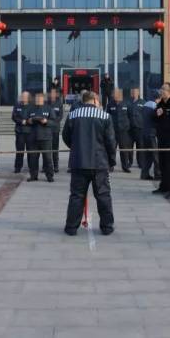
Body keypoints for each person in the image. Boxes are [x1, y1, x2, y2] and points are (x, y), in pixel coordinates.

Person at [62, 91, 116, 236]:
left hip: (78, 162)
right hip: (99, 163)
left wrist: (76, 148)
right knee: (103, 195)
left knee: (76, 196)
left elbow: (66, 136)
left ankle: (71, 227)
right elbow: (111, 141)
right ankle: (107, 227)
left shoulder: (73, 115)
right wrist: (111, 161)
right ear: (95, 100)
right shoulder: (105, 116)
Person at [27, 93, 55, 182]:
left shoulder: (49, 108)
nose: (38, 100)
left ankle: (50, 176)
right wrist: (29, 121)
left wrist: (46, 121)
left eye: (40, 99)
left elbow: (54, 122)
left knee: (47, 158)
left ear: (43, 100)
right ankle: (33, 175)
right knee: (33, 158)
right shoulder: (30, 109)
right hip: (33, 137)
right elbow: (26, 120)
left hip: (45, 138)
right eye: (37, 99)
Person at [107, 89, 132, 173]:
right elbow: (107, 116)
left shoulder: (127, 103)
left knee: (124, 150)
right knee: (111, 149)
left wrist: (128, 127)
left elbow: (130, 116)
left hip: (123, 131)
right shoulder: (110, 104)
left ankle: (125, 166)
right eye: (114, 94)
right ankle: (111, 166)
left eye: (117, 94)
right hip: (113, 131)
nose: (115, 95)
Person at [141, 93, 161, 180]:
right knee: (155, 155)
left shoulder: (145, 104)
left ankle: (144, 174)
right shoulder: (155, 106)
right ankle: (157, 174)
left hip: (144, 132)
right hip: (151, 133)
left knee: (147, 155)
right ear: (158, 98)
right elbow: (157, 119)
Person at [12, 91, 32, 173]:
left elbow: (34, 117)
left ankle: (31, 167)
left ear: (28, 97)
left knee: (30, 151)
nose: (23, 97)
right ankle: (17, 167)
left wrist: (26, 122)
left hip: (30, 132)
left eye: (25, 96)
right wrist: (21, 121)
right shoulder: (17, 105)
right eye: (22, 96)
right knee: (19, 151)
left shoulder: (32, 106)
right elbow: (14, 117)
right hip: (20, 132)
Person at [127, 87, 146, 170]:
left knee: (140, 146)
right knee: (129, 147)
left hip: (140, 128)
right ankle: (129, 162)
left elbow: (145, 115)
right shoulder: (127, 102)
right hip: (130, 128)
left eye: (135, 92)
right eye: (132, 92)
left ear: (138, 93)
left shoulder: (143, 102)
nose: (133, 93)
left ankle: (141, 163)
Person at [48, 88, 64, 173]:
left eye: (54, 93)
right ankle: (46, 166)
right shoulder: (46, 103)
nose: (53, 95)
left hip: (55, 130)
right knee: (47, 149)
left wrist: (52, 122)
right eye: (51, 93)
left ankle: (56, 166)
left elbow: (60, 116)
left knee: (55, 149)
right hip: (46, 130)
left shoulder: (59, 103)